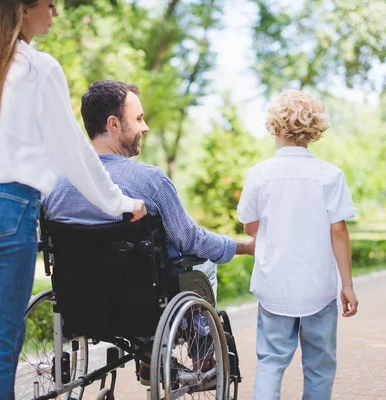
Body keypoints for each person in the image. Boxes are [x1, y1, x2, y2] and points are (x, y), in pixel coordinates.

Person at [0, 2, 147, 399]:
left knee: (0, 335)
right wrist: (120, 202)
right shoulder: (40, 68)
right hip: (6, 210)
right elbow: (73, 149)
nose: (55, 13)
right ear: (23, 9)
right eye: (49, 5)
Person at [43, 79, 256, 384]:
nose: (146, 127)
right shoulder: (150, 181)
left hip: (80, 306)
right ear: (114, 124)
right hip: (142, 306)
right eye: (139, 119)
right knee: (202, 259)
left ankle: (148, 358)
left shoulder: (56, 185)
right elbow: (192, 240)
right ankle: (204, 355)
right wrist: (244, 247)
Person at [237, 90, 359, 400]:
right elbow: (339, 232)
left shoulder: (259, 175)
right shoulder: (330, 175)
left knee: (270, 363)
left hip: (274, 286)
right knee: (319, 366)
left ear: (274, 128)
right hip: (318, 288)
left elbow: (251, 227)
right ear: (314, 131)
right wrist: (347, 284)